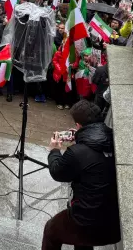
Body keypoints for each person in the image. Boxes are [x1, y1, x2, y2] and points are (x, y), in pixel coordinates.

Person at [41, 100, 121, 250]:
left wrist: (54, 150)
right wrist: (80, 137)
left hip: (87, 223)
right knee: (80, 239)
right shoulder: (114, 140)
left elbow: (58, 172)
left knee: (51, 230)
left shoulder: (76, 152)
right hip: (115, 224)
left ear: (78, 125)